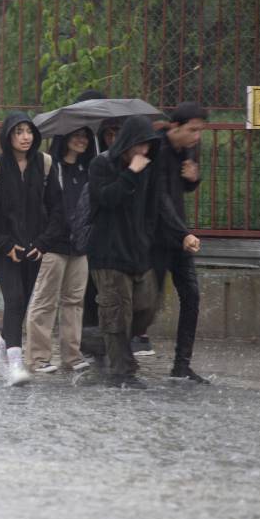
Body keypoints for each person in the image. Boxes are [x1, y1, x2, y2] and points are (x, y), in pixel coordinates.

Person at [86, 115, 177, 386]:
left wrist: (154, 237)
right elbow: (106, 198)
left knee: (147, 306)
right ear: (127, 143)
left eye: (148, 146)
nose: (144, 151)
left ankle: (90, 339)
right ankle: (121, 372)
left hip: (137, 252)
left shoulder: (149, 169)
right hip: (108, 253)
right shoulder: (101, 164)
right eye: (140, 145)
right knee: (116, 315)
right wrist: (130, 173)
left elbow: (155, 207)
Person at [0, 112, 61, 386]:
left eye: (28, 131)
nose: (25, 137)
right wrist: (4, 245)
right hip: (4, 248)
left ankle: (0, 353)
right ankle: (15, 363)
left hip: (34, 248)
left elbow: (58, 210)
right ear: (8, 136)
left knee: (21, 303)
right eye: (18, 132)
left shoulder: (45, 164)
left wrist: (43, 243)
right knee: (14, 298)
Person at [24, 125, 96, 373]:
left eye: (85, 136)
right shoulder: (50, 168)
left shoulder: (86, 169)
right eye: (76, 135)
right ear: (63, 138)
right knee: (45, 301)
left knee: (74, 302)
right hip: (53, 246)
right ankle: (38, 359)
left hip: (79, 246)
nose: (82, 140)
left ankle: (71, 356)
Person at [152, 102, 206, 383]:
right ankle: (113, 353)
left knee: (192, 295)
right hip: (154, 236)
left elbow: (183, 186)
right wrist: (183, 232)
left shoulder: (189, 149)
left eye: (200, 130)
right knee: (148, 302)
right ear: (175, 127)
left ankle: (181, 364)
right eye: (192, 130)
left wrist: (194, 179)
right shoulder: (156, 150)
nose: (197, 136)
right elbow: (159, 200)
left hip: (179, 235)